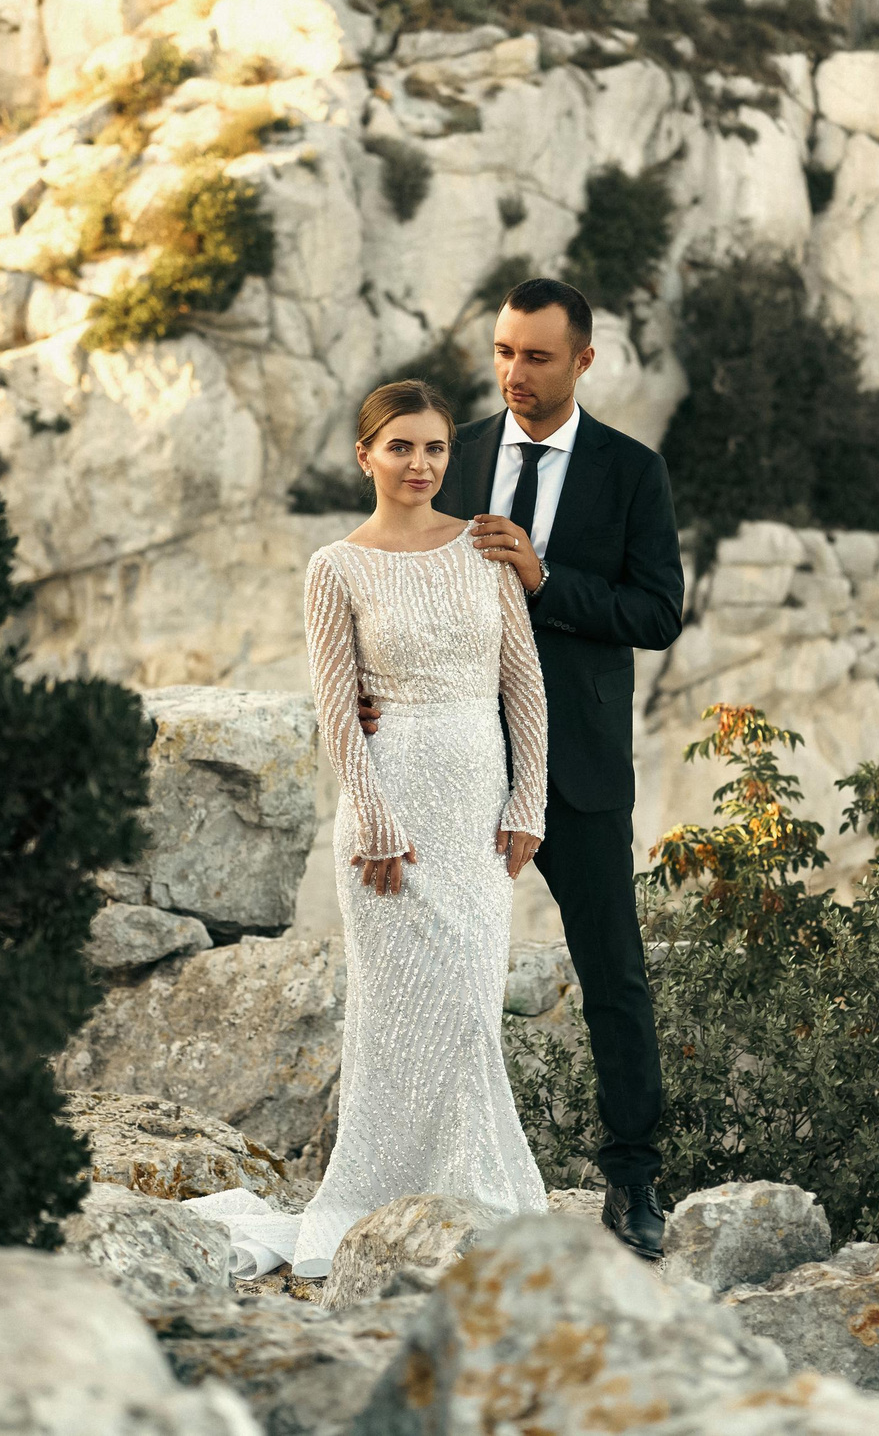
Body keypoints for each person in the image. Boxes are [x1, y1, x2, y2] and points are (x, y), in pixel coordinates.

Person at [208, 378, 554, 1279]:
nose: (420, 464)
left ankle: (473, 1194)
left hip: (479, 812)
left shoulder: (484, 549)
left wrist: (529, 802)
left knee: (473, 1010)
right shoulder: (337, 567)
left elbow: (524, 684)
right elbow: (335, 711)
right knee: (399, 1019)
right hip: (389, 818)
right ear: (365, 454)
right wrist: (371, 814)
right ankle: (390, 1203)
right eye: (400, 447)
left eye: (435, 447)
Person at [382, 276, 686, 1260]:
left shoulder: (631, 472)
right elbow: (398, 581)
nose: (515, 372)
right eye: (505, 352)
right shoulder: (453, 451)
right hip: (460, 756)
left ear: (583, 362)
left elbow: (656, 613)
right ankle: (437, 1175)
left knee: (613, 977)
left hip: (580, 765)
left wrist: (545, 580)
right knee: (438, 966)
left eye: (538, 356)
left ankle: (633, 1187)